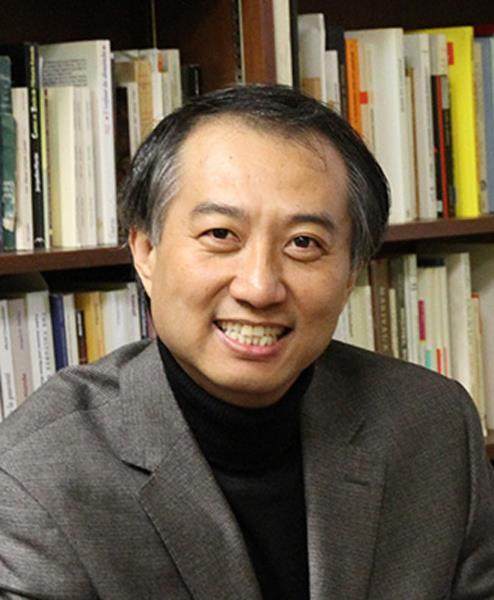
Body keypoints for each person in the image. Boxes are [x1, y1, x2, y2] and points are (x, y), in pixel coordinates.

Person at [0, 85, 493, 600]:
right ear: (146, 251)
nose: (259, 288)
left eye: (303, 243)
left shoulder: (431, 425)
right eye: (220, 234)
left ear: (352, 274)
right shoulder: (38, 476)